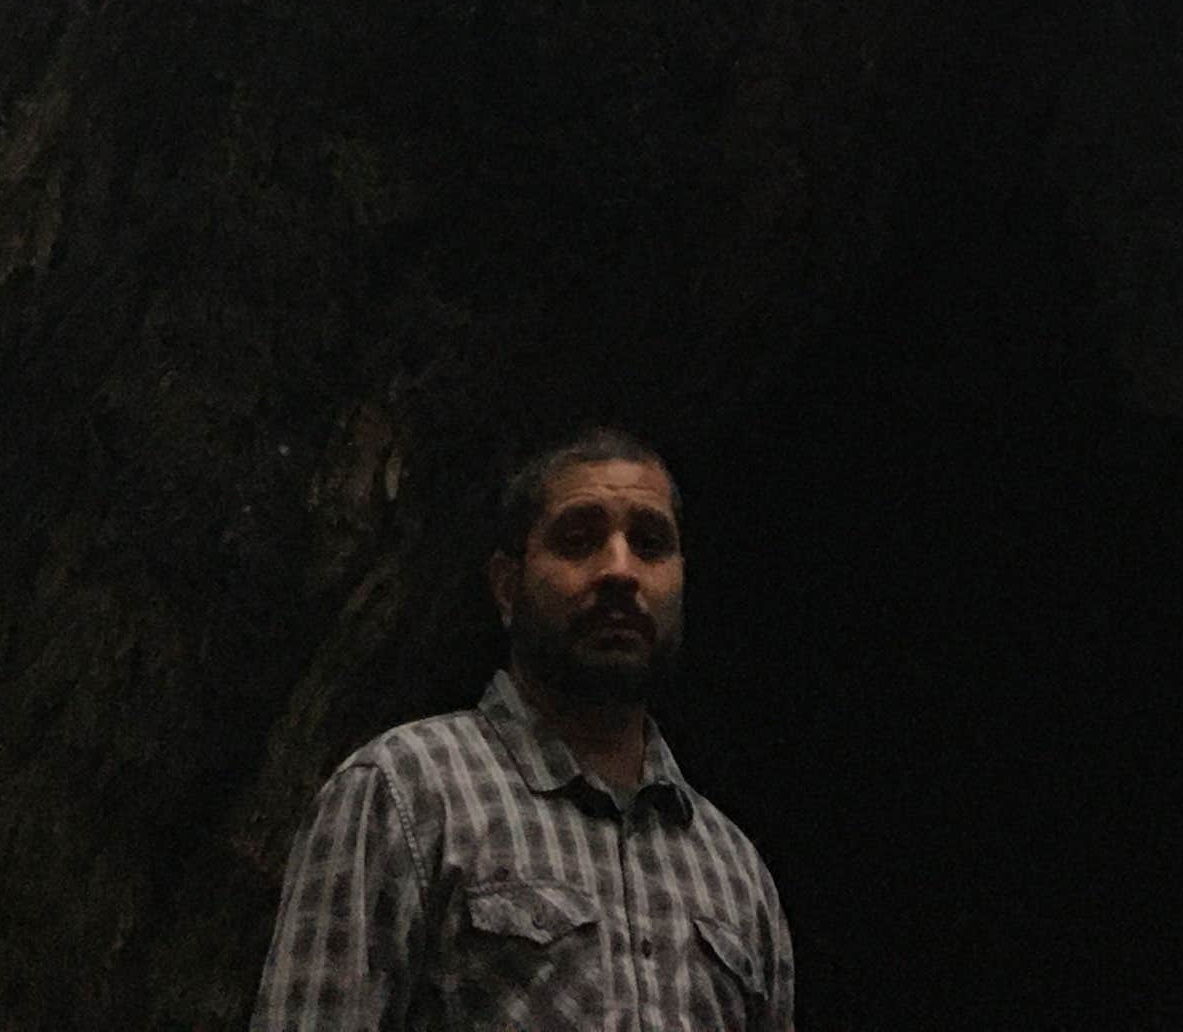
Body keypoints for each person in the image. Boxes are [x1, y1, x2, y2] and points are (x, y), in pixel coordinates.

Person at [250, 430, 796, 1029]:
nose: (620, 570)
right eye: (578, 541)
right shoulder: (405, 791)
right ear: (508, 587)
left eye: (649, 543)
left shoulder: (735, 871)